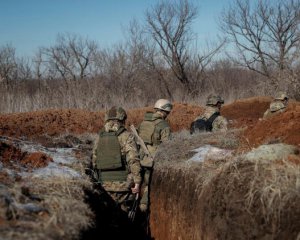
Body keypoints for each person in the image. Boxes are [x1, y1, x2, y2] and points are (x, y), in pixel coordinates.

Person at [91, 106, 142, 215]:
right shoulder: (127, 136)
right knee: (123, 217)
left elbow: (94, 162)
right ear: (123, 119)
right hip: (123, 186)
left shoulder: (98, 137)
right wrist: (137, 182)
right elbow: (133, 160)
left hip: (103, 185)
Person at [137, 99, 173, 213]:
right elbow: (167, 146)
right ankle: (143, 207)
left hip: (139, 157)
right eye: (167, 113)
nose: (167, 115)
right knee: (149, 184)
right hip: (152, 160)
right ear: (164, 111)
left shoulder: (143, 122)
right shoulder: (163, 125)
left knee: (137, 182)